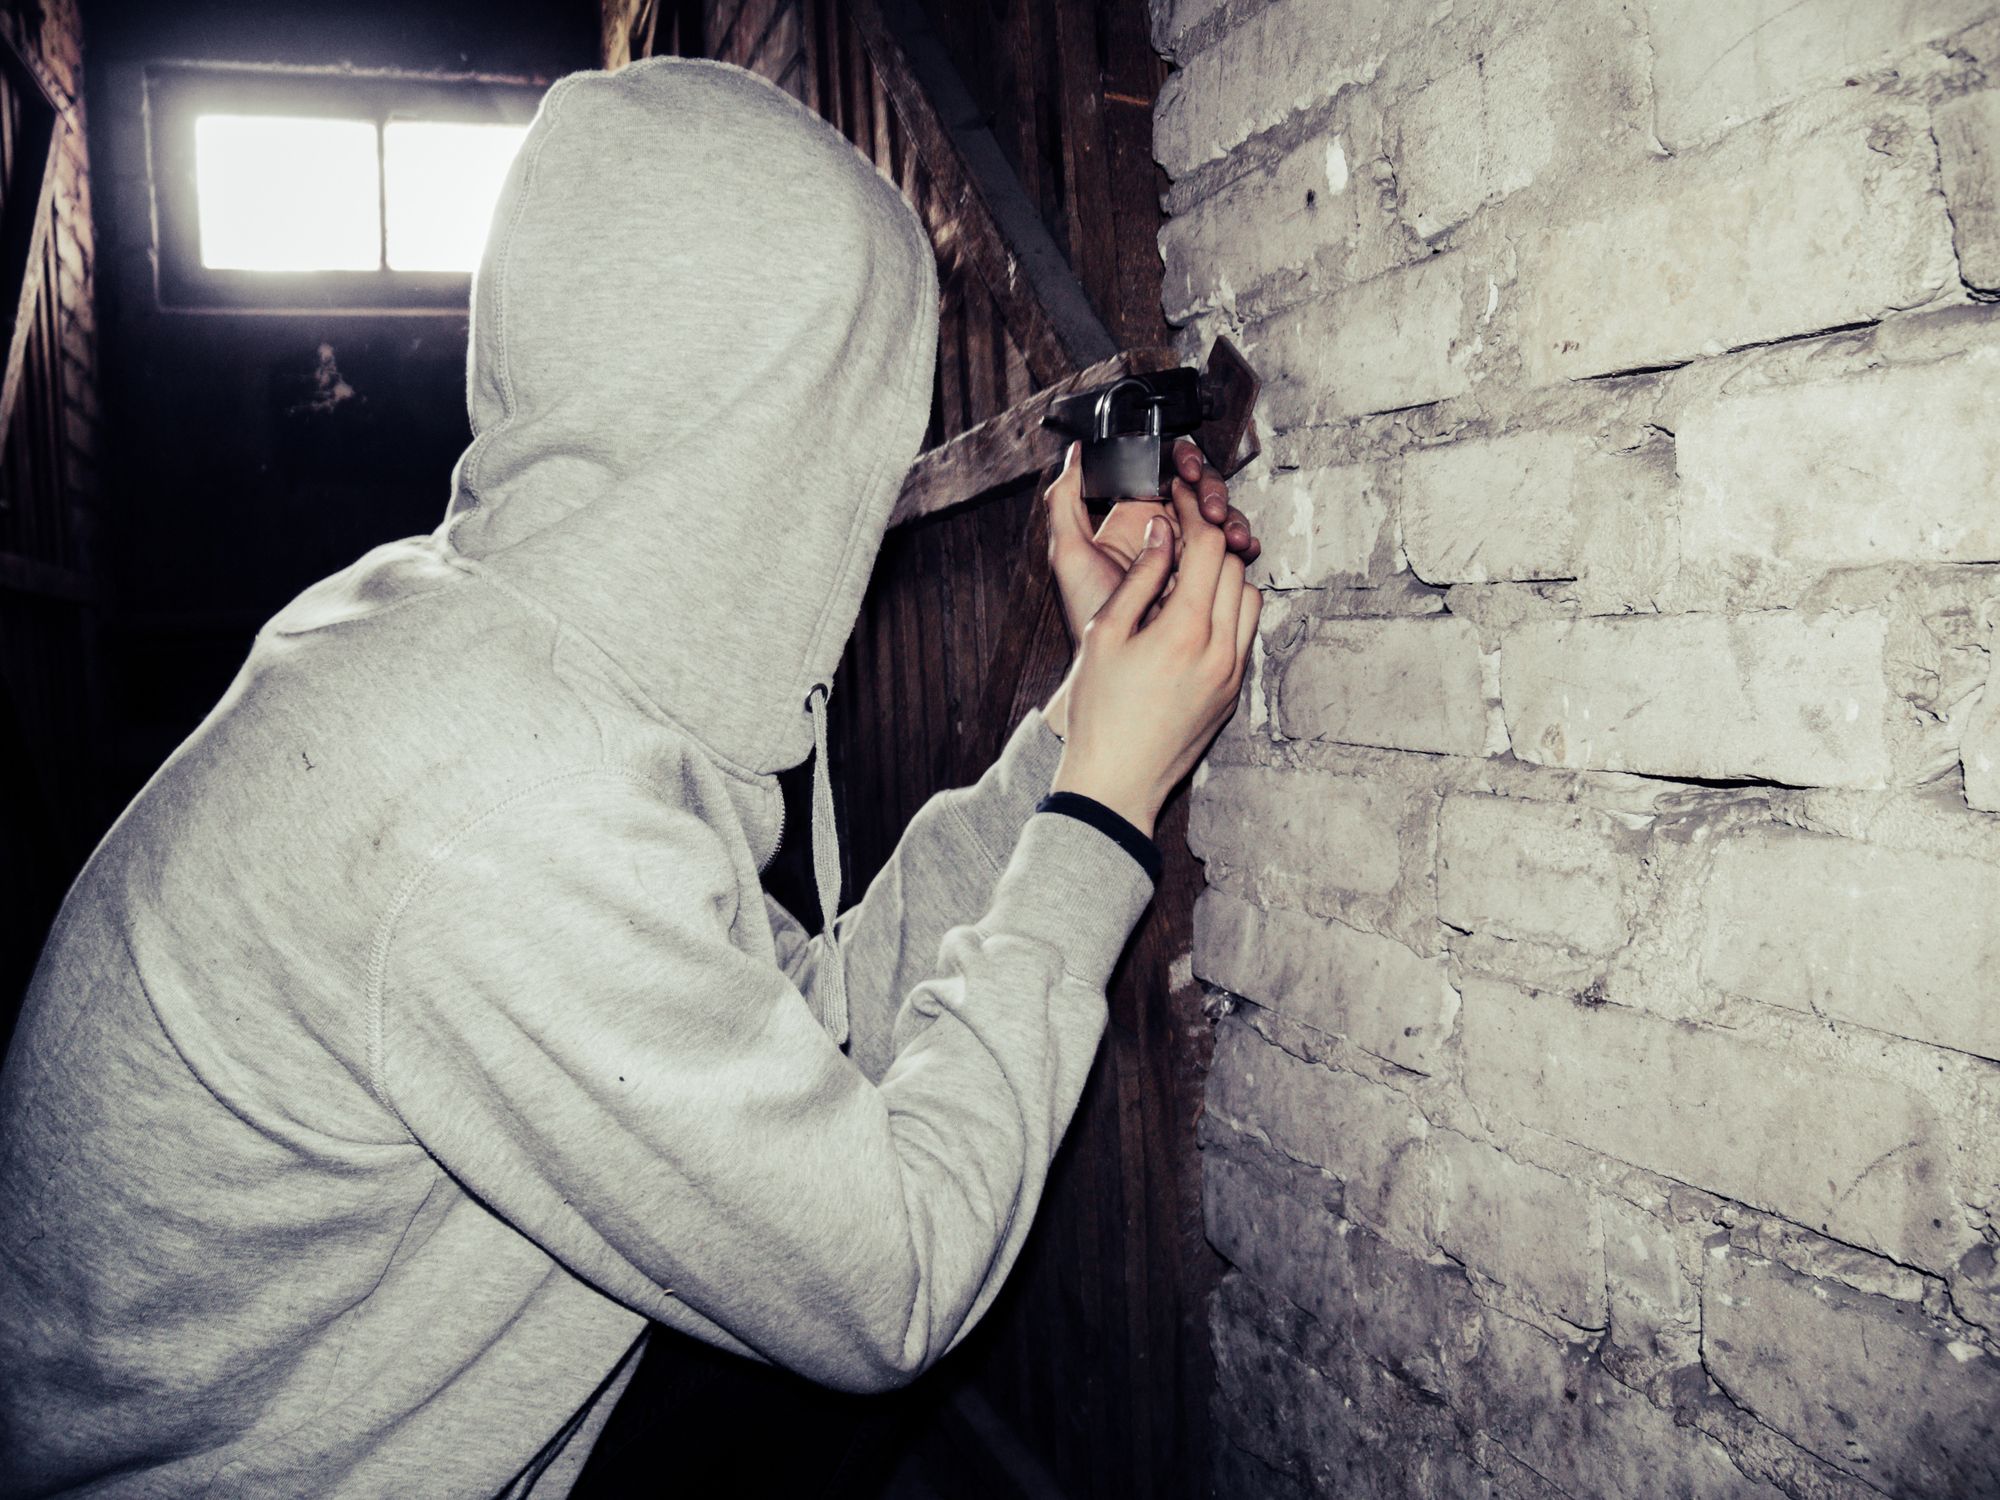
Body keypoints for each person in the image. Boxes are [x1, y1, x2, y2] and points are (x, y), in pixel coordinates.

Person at [0, 56, 1261, 1496]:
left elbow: (815, 1028)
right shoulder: (499, 793)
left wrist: (1077, 726)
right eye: (857, 414)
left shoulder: (482, 645)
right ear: (764, 421)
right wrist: (1104, 808)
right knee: (839, 1345)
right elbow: (899, 1277)